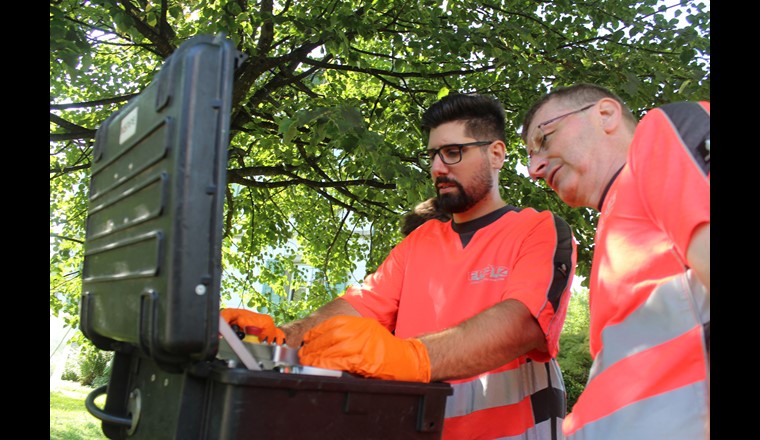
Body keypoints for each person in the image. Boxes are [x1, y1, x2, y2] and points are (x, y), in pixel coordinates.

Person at [223, 93, 577, 439]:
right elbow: (357, 307)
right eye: (433, 155)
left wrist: (410, 357)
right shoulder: (418, 243)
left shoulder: (539, 229)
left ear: (496, 154)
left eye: (453, 153)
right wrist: (280, 339)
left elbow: (522, 324)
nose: (438, 168)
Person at [520, 83, 709, 439]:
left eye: (544, 139)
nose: (535, 168)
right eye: (530, 157)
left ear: (605, 115)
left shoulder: (660, 134)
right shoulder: (616, 226)